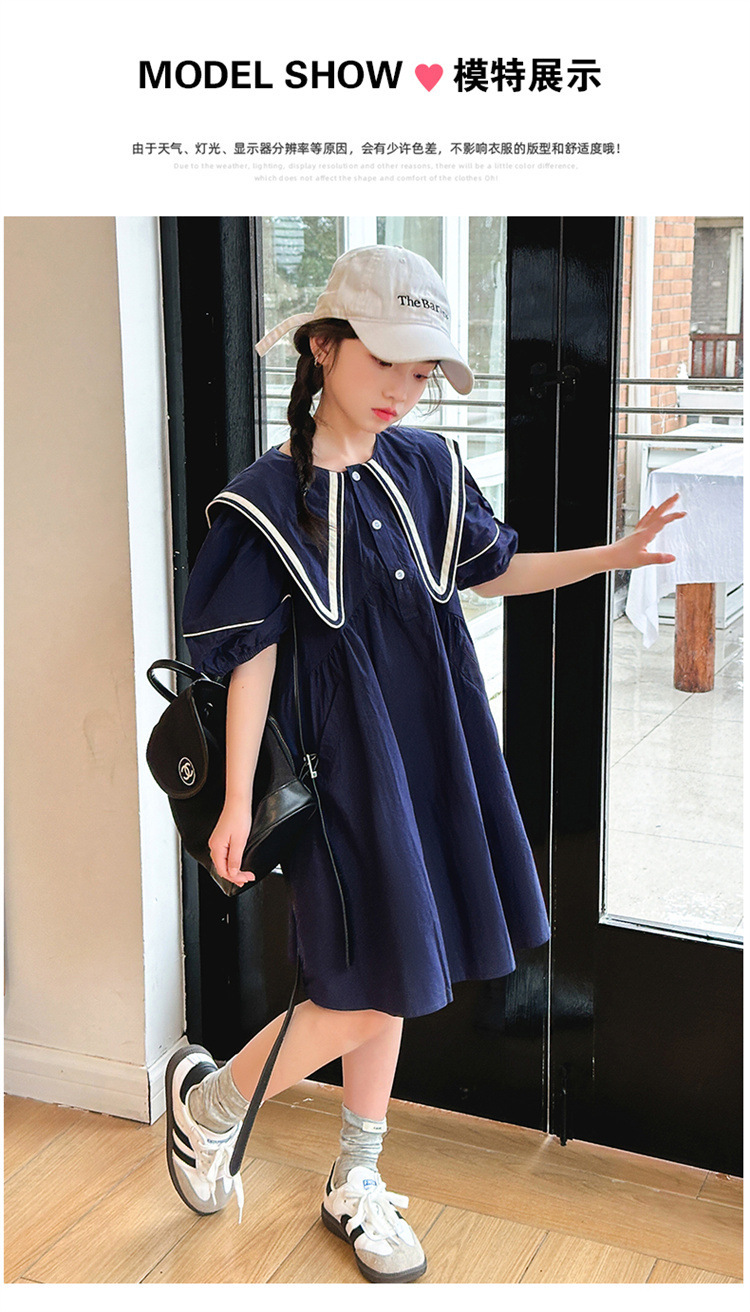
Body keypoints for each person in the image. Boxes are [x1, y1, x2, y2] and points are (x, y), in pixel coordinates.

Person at [165, 244, 685, 1283]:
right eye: (386, 363)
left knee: (400, 973)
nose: (403, 391)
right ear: (324, 348)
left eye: (421, 371)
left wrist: (612, 556)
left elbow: (494, 570)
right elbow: (253, 661)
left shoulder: (428, 466)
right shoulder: (266, 501)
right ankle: (211, 1106)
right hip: (342, 777)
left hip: (435, 755)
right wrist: (232, 804)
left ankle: (354, 1175)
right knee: (375, 981)